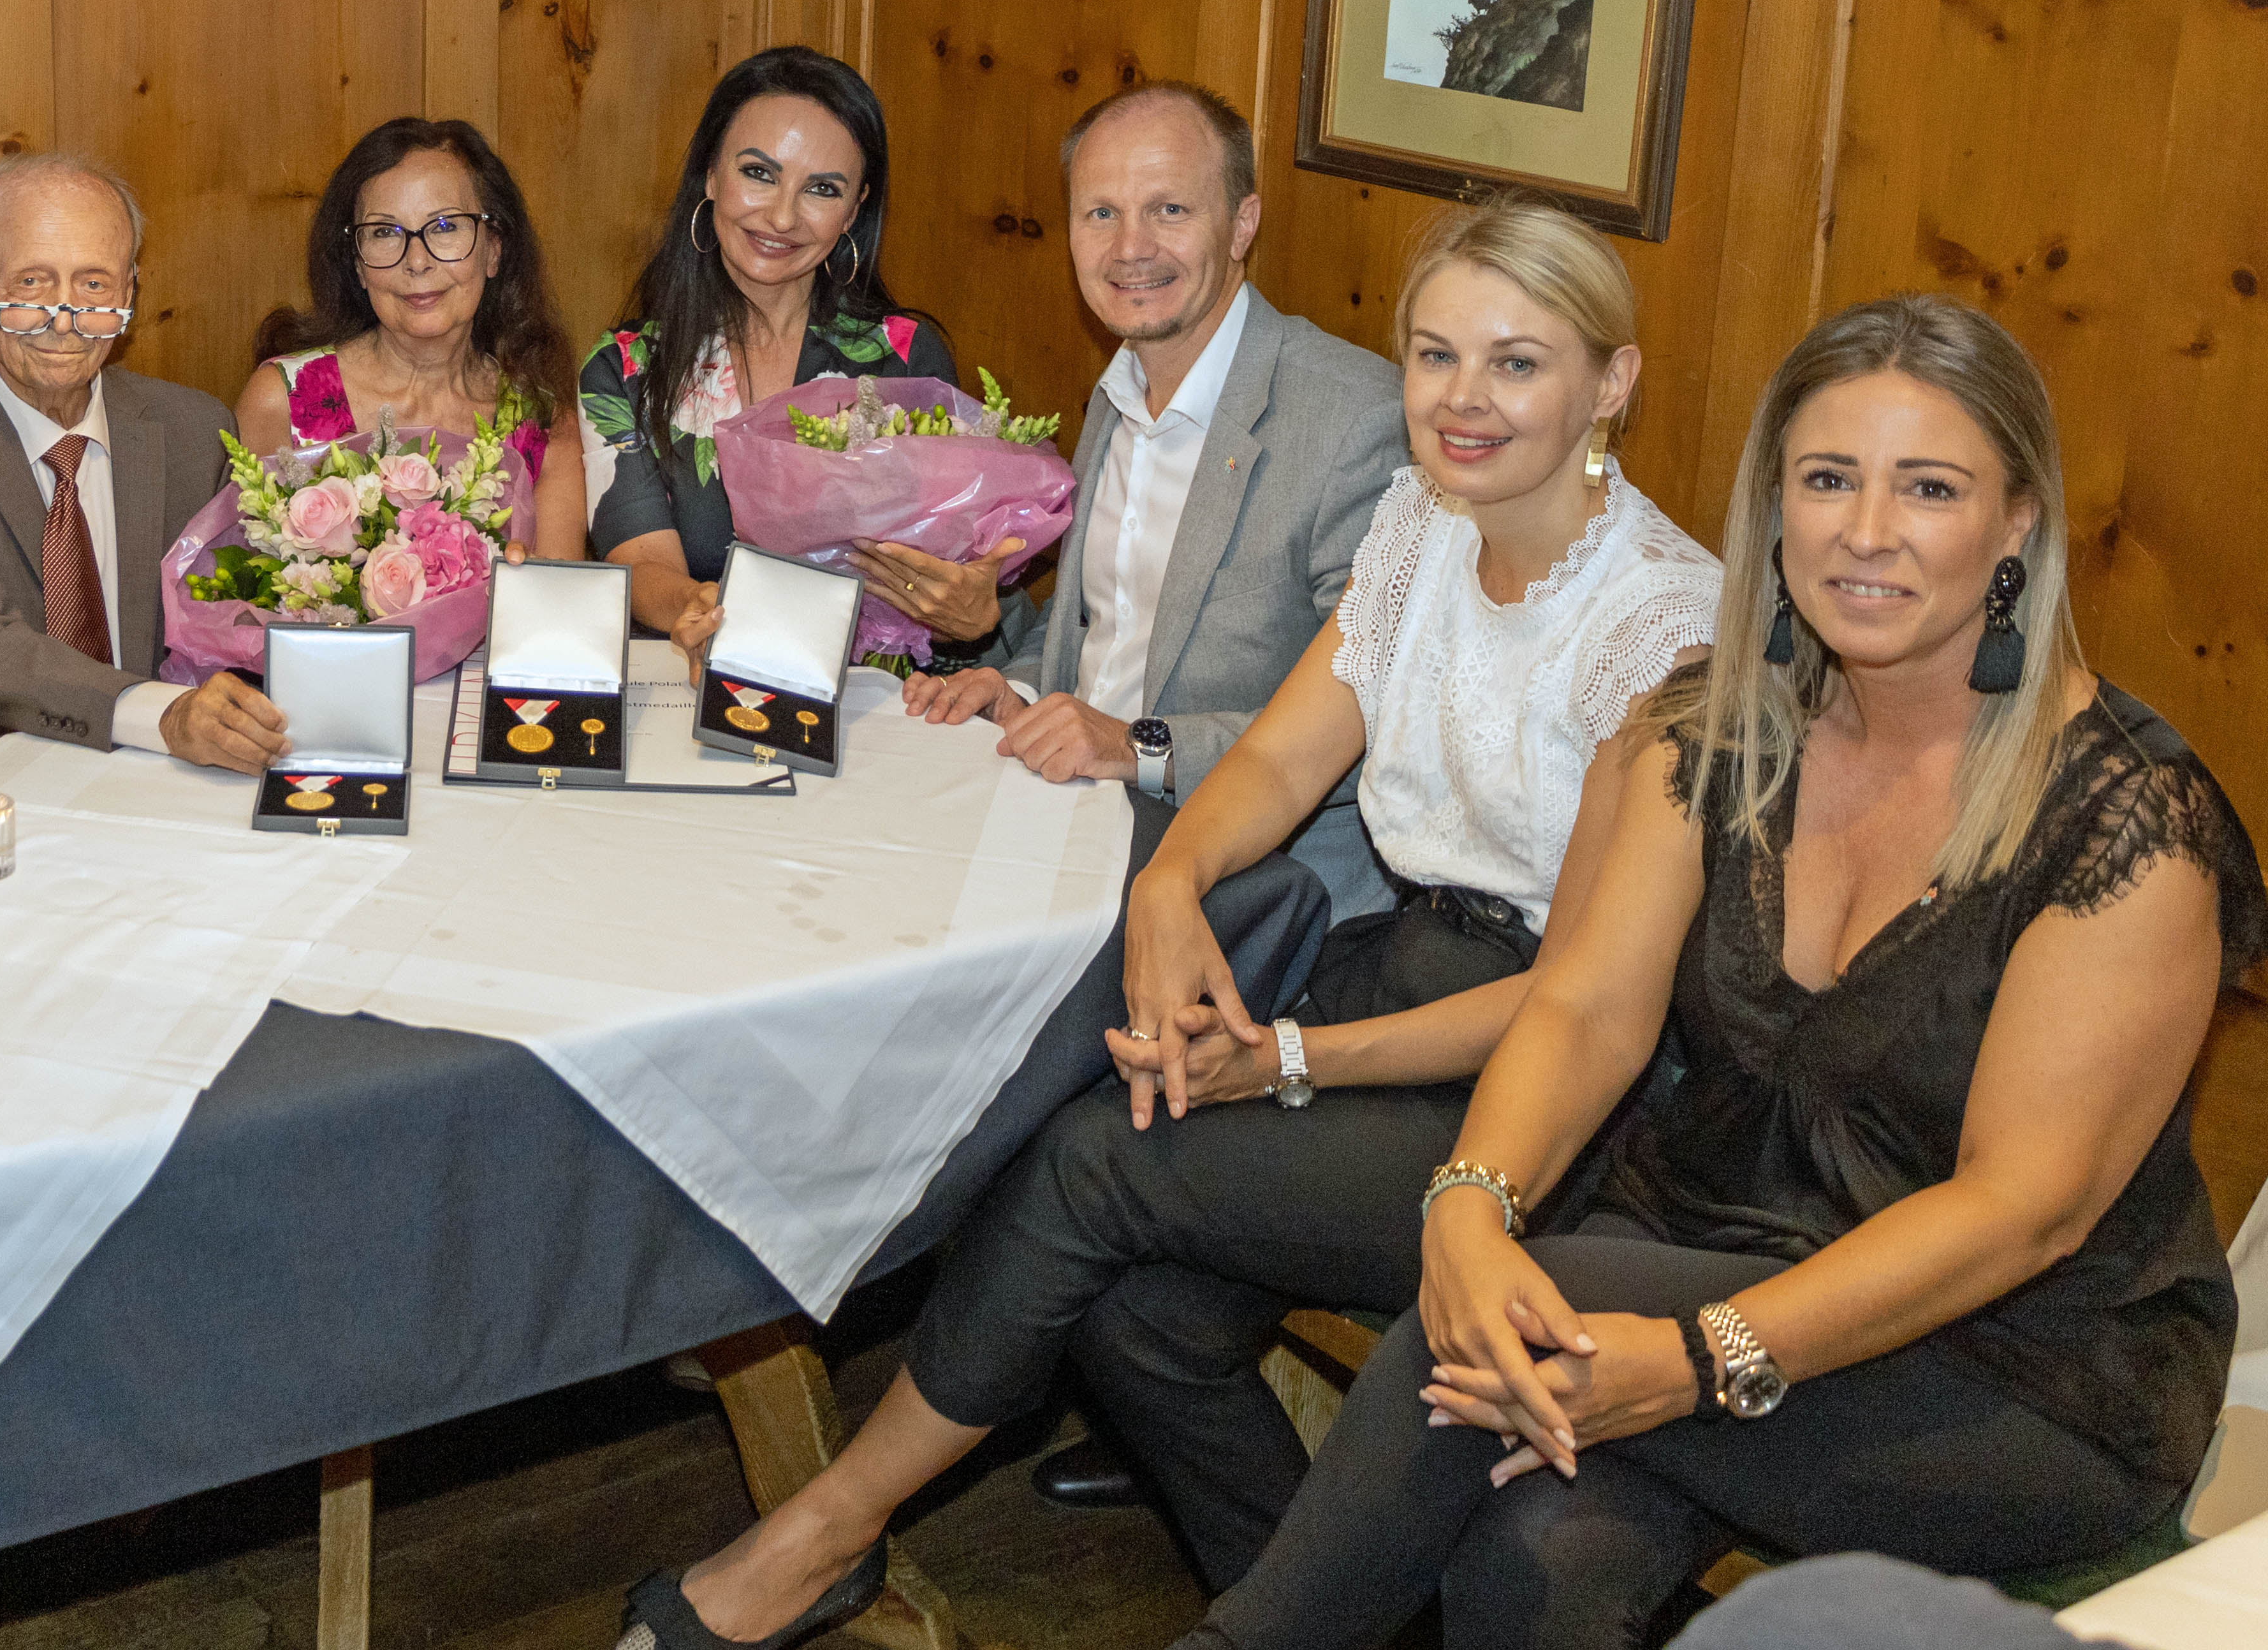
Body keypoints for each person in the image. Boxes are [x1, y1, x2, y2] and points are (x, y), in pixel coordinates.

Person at [631, 195, 1720, 1650]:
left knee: (1092, 1165)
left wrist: (1278, 1060)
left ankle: (823, 1531)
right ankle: (1337, 1616)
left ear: (1611, 381)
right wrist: (1164, 887)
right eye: (1433, 355)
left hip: (1554, 1091)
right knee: (1134, 1304)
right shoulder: (1422, 524)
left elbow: (1584, 1001)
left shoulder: (1664, 622)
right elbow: (1275, 760)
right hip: (1396, 960)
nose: (1461, 400)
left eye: (1514, 364)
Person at [1178, 296, 2265, 1650]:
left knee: (1463, 1357)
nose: (1865, 531)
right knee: (1540, 1555)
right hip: (1709, 1251)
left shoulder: (2127, 825)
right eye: (1826, 480)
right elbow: (1581, 1005)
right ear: (1776, 505)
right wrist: (1466, 1208)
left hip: (2017, 1369)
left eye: (1928, 488)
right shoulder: (1712, 726)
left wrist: (1702, 1359)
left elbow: (2018, 1214)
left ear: (2018, 523)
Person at [906, 84, 1410, 917]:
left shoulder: (1354, 420)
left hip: (1255, 887)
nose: (1130, 247)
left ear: (1244, 223)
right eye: (1100, 214)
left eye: (1169, 208)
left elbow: (1372, 723)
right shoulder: (1119, 389)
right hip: (1078, 830)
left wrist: (1136, 748)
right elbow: (1115, 645)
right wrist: (1019, 692)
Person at [0, 152, 283, 772]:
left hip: (174, 783)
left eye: (95, 284)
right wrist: (156, 713)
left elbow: (239, 615)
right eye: (31, 283)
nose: (65, 316)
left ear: (130, 293)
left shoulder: (193, 432)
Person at [580, 47, 980, 663]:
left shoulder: (905, 358)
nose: (783, 216)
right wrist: (697, 613)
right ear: (711, 175)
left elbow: (937, 563)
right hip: (692, 690)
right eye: (759, 174)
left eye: (822, 189)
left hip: (871, 707)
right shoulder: (627, 369)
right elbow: (641, 558)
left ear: (854, 210)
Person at [237, 115, 586, 559]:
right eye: (385, 232)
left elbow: (556, 618)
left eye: (445, 227)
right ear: (359, 265)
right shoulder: (282, 400)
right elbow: (241, 600)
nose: (417, 261)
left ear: (493, 250)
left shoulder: (543, 428)